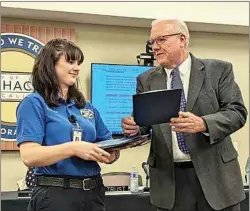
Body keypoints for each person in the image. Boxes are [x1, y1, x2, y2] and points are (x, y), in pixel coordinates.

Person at [121, 19, 247, 211]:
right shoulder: (145, 80)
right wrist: (135, 127)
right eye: (152, 42)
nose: (155, 47)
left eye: (161, 40)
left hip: (216, 178)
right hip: (170, 182)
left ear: (182, 39)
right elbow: (145, 124)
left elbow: (237, 112)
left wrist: (204, 123)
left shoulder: (218, 70)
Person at [16, 38, 120, 211]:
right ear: (51, 65)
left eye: (78, 63)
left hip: (94, 194)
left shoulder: (87, 107)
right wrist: (73, 148)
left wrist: (112, 155)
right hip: (56, 195)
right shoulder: (34, 103)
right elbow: (29, 156)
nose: (77, 68)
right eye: (70, 61)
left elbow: (108, 143)